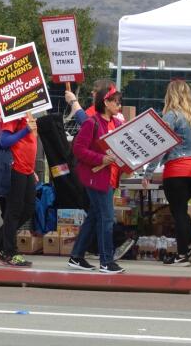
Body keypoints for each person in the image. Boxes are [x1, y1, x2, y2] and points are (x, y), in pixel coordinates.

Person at [143, 80, 191, 265]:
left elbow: (161, 146)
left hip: (176, 169)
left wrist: (148, 173)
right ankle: (187, 249)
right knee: (181, 209)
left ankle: (187, 249)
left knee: (178, 211)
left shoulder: (171, 116)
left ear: (170, 95)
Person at [67, 87, 125, 274]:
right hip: (97, 177)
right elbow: (78, 149)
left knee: (95, 216)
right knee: (106, 218)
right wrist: (100, 159)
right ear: (105, 102)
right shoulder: (92, 123)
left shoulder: (116, 123)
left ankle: (76, 256)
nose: (119, 105)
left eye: (119, 101)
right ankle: (106, 261)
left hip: (110, 177)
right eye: (116, 101)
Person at [0, 111, 39, 267]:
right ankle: (10, 252)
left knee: (29, 208)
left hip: (27, 169)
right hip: (16, 168)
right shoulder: (13, 113)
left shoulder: (28, 113)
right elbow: (4, 141)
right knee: (14, 211)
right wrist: (26, 130)